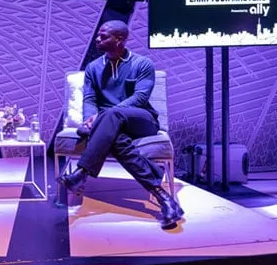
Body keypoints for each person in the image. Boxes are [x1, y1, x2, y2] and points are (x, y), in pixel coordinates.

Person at [58, 20, 184, 229]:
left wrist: (103, 116)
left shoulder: (142, 64)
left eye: (103, 36)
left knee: (112, 116)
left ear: (120, 39)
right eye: (98, 36)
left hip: (141, 119)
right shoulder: (93, 67)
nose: (98, 40)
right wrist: (91, 118)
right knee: (117, 140)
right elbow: (89, 99)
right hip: (109, 126)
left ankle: (81, 172)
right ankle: (165, 200)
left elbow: (140, 98)